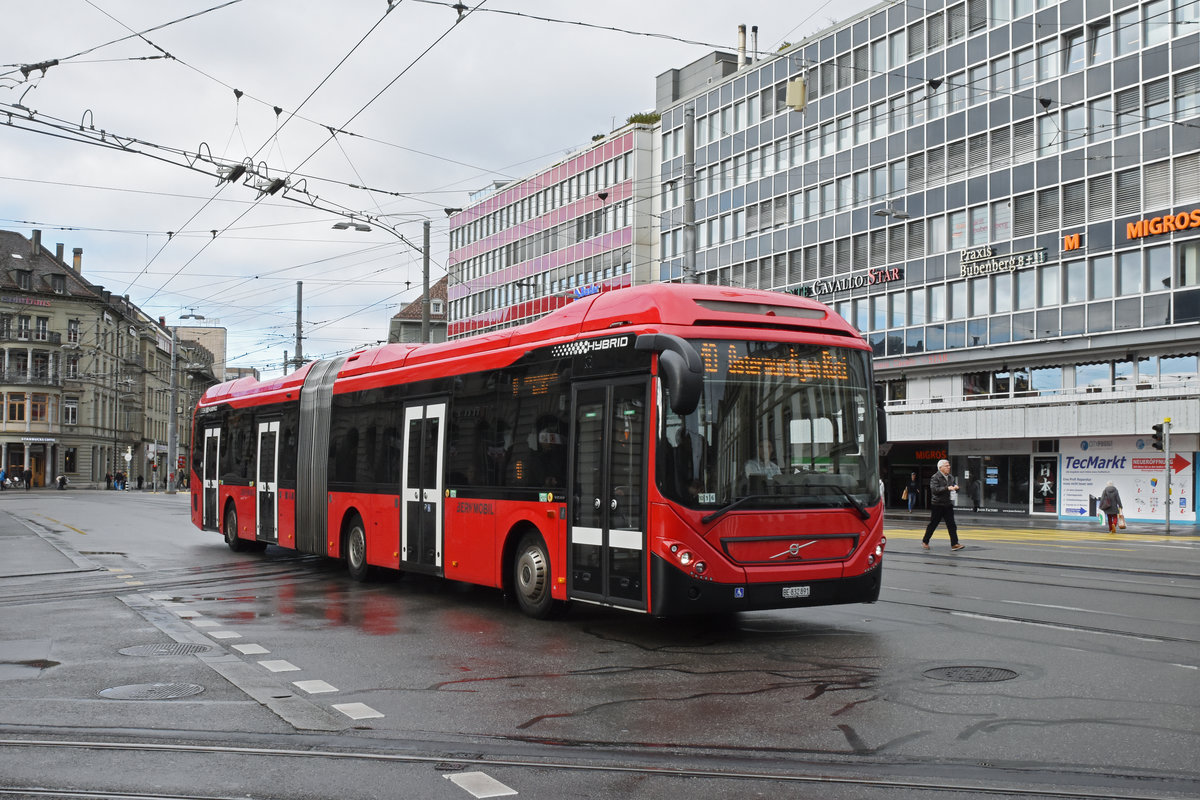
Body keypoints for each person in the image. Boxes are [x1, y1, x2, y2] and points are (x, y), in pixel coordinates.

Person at [922, 459, 964, 551]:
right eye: (946, 466)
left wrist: (956, 488)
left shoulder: (951, 477)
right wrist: (947, 488)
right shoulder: (935, 477)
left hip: (948, 504)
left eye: (949, 465)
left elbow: (953, 487)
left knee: (952, 524)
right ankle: (925, 541)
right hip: (937, 504)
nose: (949, 467)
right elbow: (935, 490)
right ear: (940, 468)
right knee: (933, 524)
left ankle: (954, 544)